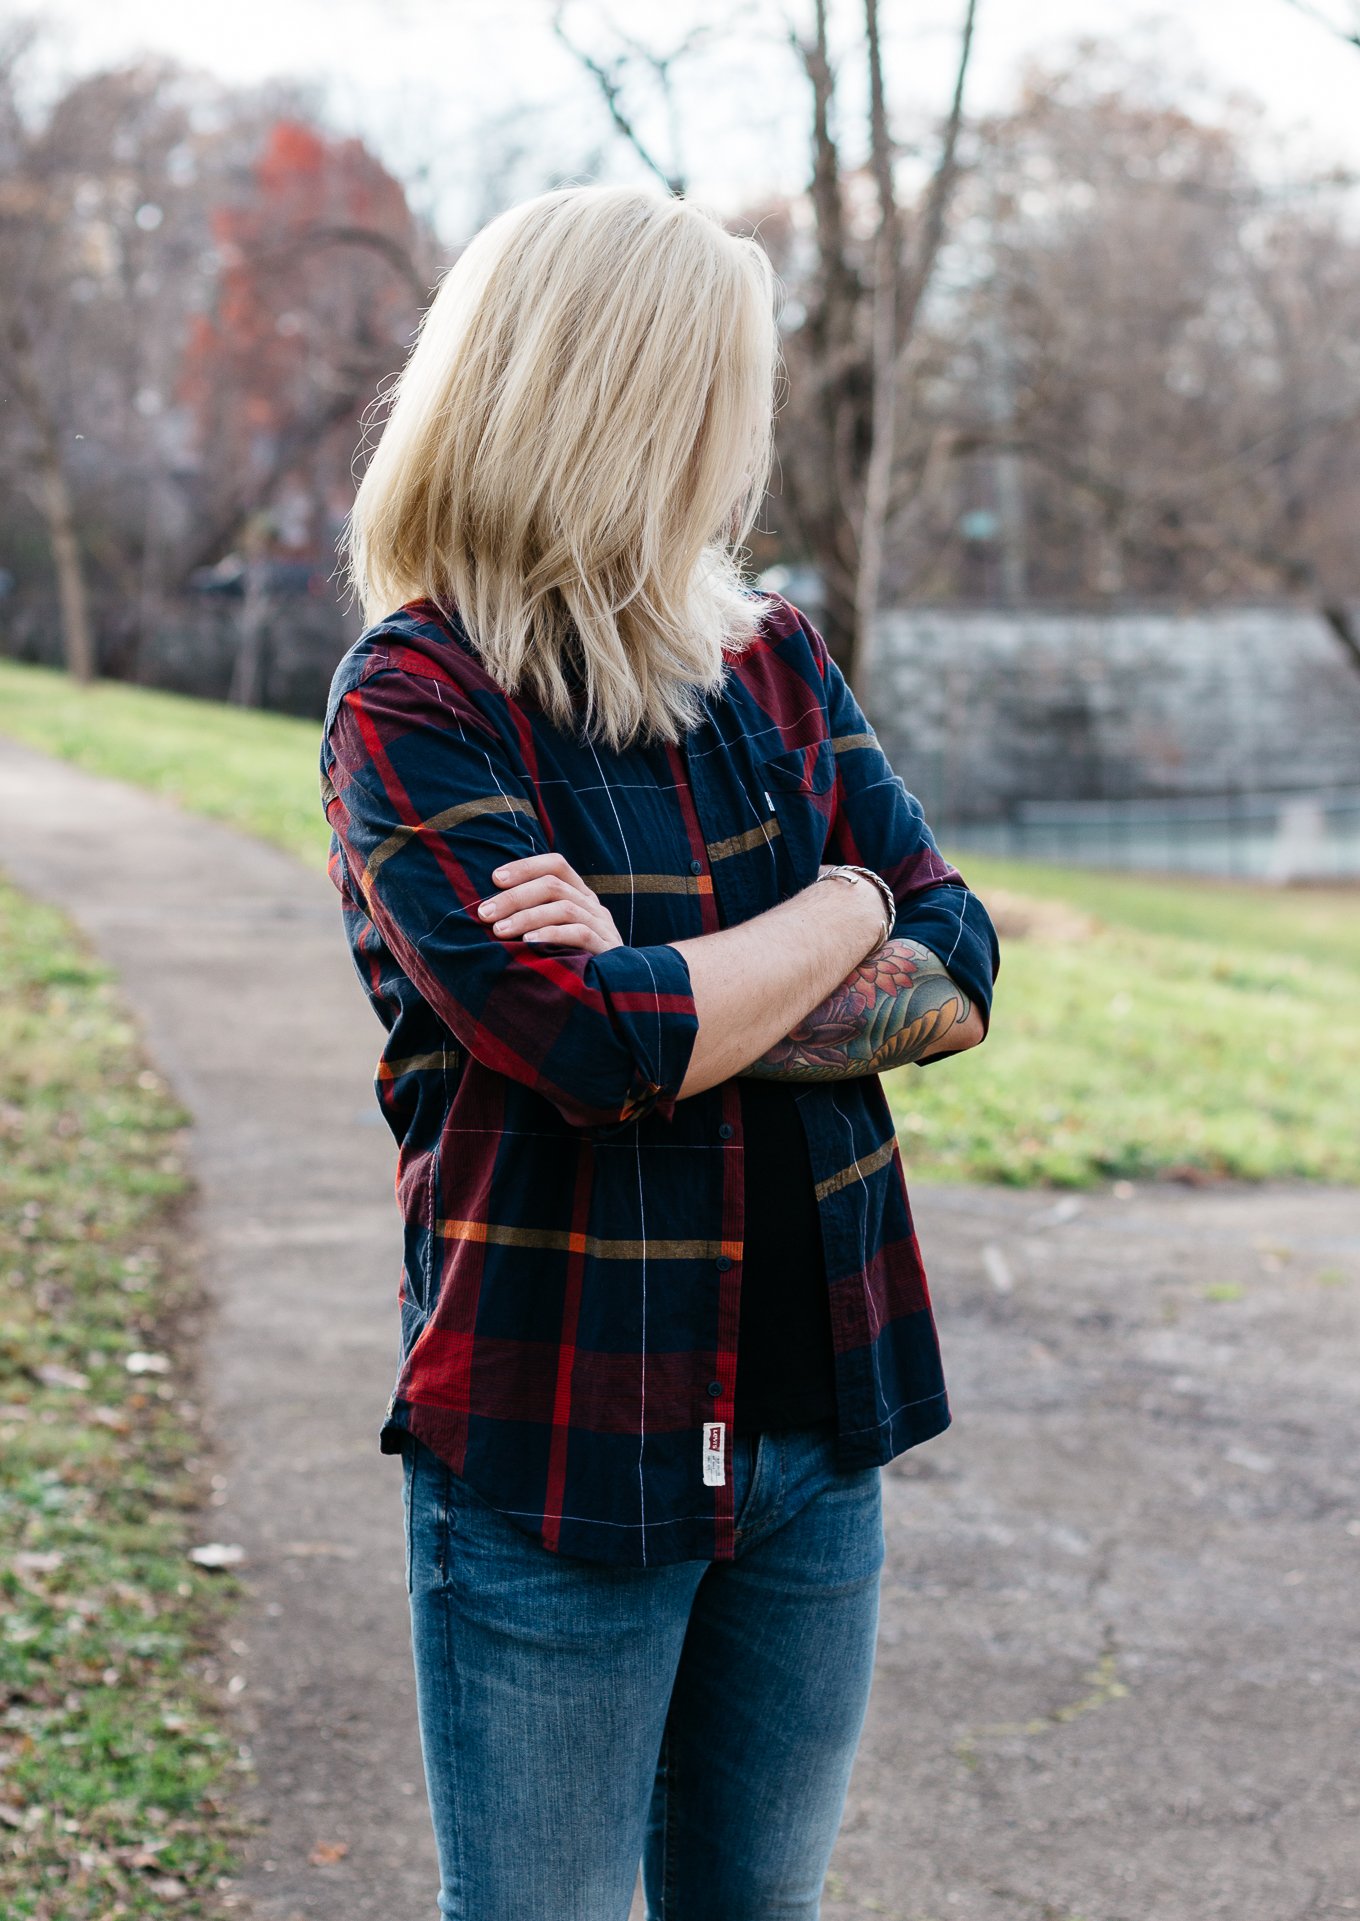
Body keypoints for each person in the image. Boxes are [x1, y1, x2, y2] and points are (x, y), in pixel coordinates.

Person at [319, 183, 999, 1921]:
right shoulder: (417, 701)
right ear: (628, 403)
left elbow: (960, 960)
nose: (744, 443)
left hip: (813, 1432)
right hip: (566, 1443)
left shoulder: (772, 666)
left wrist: (741, 951)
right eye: (724, 397)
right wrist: (836, 918)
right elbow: (590, 1046)